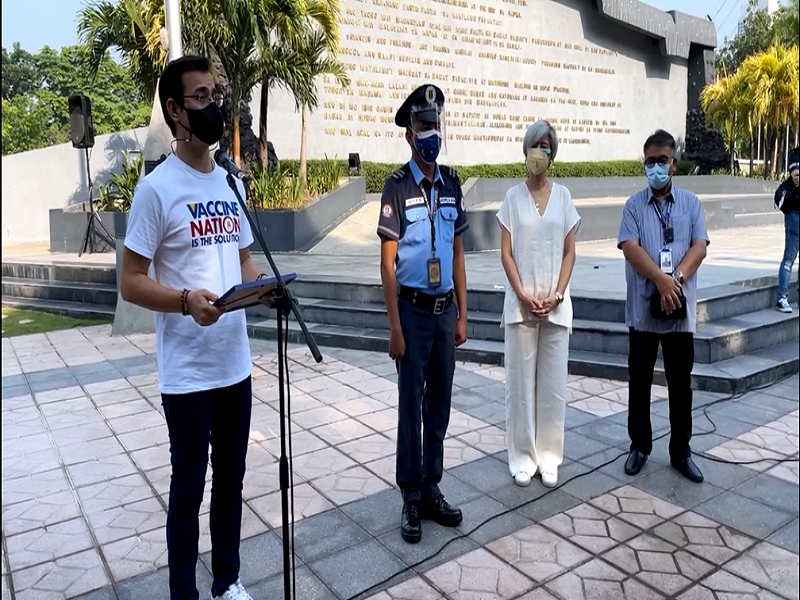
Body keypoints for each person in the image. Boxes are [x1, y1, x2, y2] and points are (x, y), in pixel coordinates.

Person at [121, 56, 268, 600]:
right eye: (201, 98)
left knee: (231, 483)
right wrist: (184, 301)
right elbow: (130, 281)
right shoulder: (157, 190)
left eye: (215, 95)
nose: (213, 106)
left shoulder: (231, 182)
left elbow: (244, 259)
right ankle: (183, 591)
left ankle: (227, 582)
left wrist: (263, 288)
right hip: (186, 373)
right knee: (189, 490)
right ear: (175, 110)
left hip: (235, 364)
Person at [377, 83, 469, 544]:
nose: (430, 132)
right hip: (411, 313)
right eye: (422, 125)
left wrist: (462, 314)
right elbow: (387, 264)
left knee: (439, 404)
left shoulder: (452, 183)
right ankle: (410, 496)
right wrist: (394, 327)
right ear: (408, 133)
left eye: (435, 124)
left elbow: (458, 253)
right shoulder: (396, 186)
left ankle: (431, 485)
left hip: (443, 309)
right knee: (410, 405)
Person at [617, 129, 710, 484]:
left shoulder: (691, 204)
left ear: (673, 163)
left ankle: (681, 451)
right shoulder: (634, 206)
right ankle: (639, 445)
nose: (655, 167)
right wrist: (659, 278)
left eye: (661, 160)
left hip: (678, 313)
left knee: (679, 384)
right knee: (639, 382)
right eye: (649, 161)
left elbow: (699, 246)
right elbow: (629, 246)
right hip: (643, 312)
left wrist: (676, 281)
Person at [496, 121, 580, 489]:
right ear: (525, 149)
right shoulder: (512, 198)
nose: (540, 151)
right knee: (520, 386)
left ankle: (548, 456)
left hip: (556, 307)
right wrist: (522, 294)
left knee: (552, 387)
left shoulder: (564, 196)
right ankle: (522, 456)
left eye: (546, 145)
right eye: (535, 144)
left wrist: (557, 294)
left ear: (553, 152)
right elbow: (506, 254)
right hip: (521, 306)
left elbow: (569, 252)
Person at [775, 147, 799, 313]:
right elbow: (779, 204)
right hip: (794, 219)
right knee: (789, 259)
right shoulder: (786, 187)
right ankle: (782, 297)